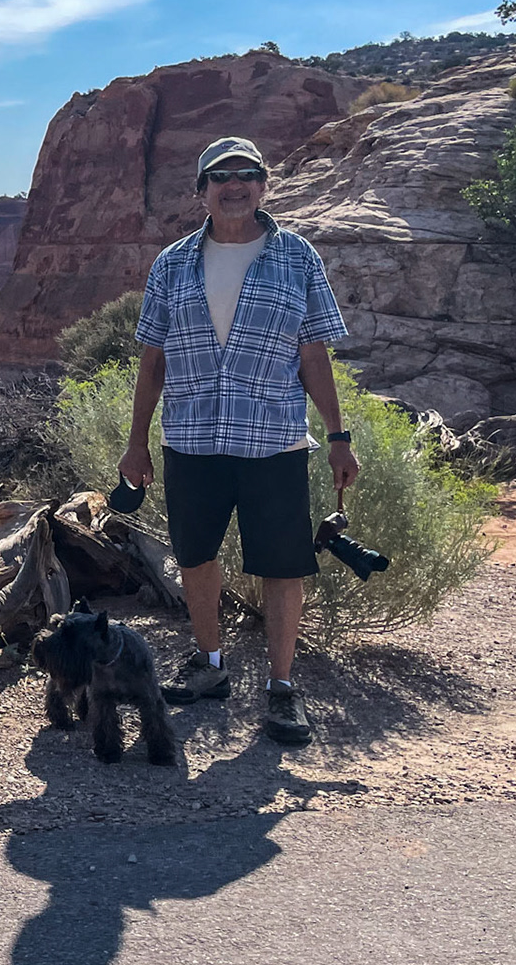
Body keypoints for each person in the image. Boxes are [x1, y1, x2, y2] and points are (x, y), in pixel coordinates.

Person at [118, 136, 359, 745]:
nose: (234, 185)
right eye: (220, 176)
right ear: (201, 190)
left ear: (263, 185)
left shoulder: (297, 258)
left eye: (247, 174)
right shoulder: (172, 264)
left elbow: (313, 354)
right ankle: (210, 664)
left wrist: (338, 435)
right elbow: (153, 360)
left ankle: (281, 688)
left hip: (273, 440)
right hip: (191, 439)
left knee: (282, 565)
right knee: (196, 556)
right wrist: (135, 442)